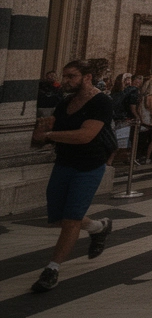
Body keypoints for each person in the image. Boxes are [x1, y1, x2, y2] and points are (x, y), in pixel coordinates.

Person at [29, 60, 117, 293]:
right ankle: (99, 227)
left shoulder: (101, 102)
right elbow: (40, 139)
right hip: (64, 163)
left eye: (71, 76)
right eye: (65, 76)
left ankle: (52, 269)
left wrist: (49, 134)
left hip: (88, 166)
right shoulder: (66, 102)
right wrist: (41, 133)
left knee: (71, 220)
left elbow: (85, 136)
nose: (65, 81)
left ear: (87, 77)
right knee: (57, 217)